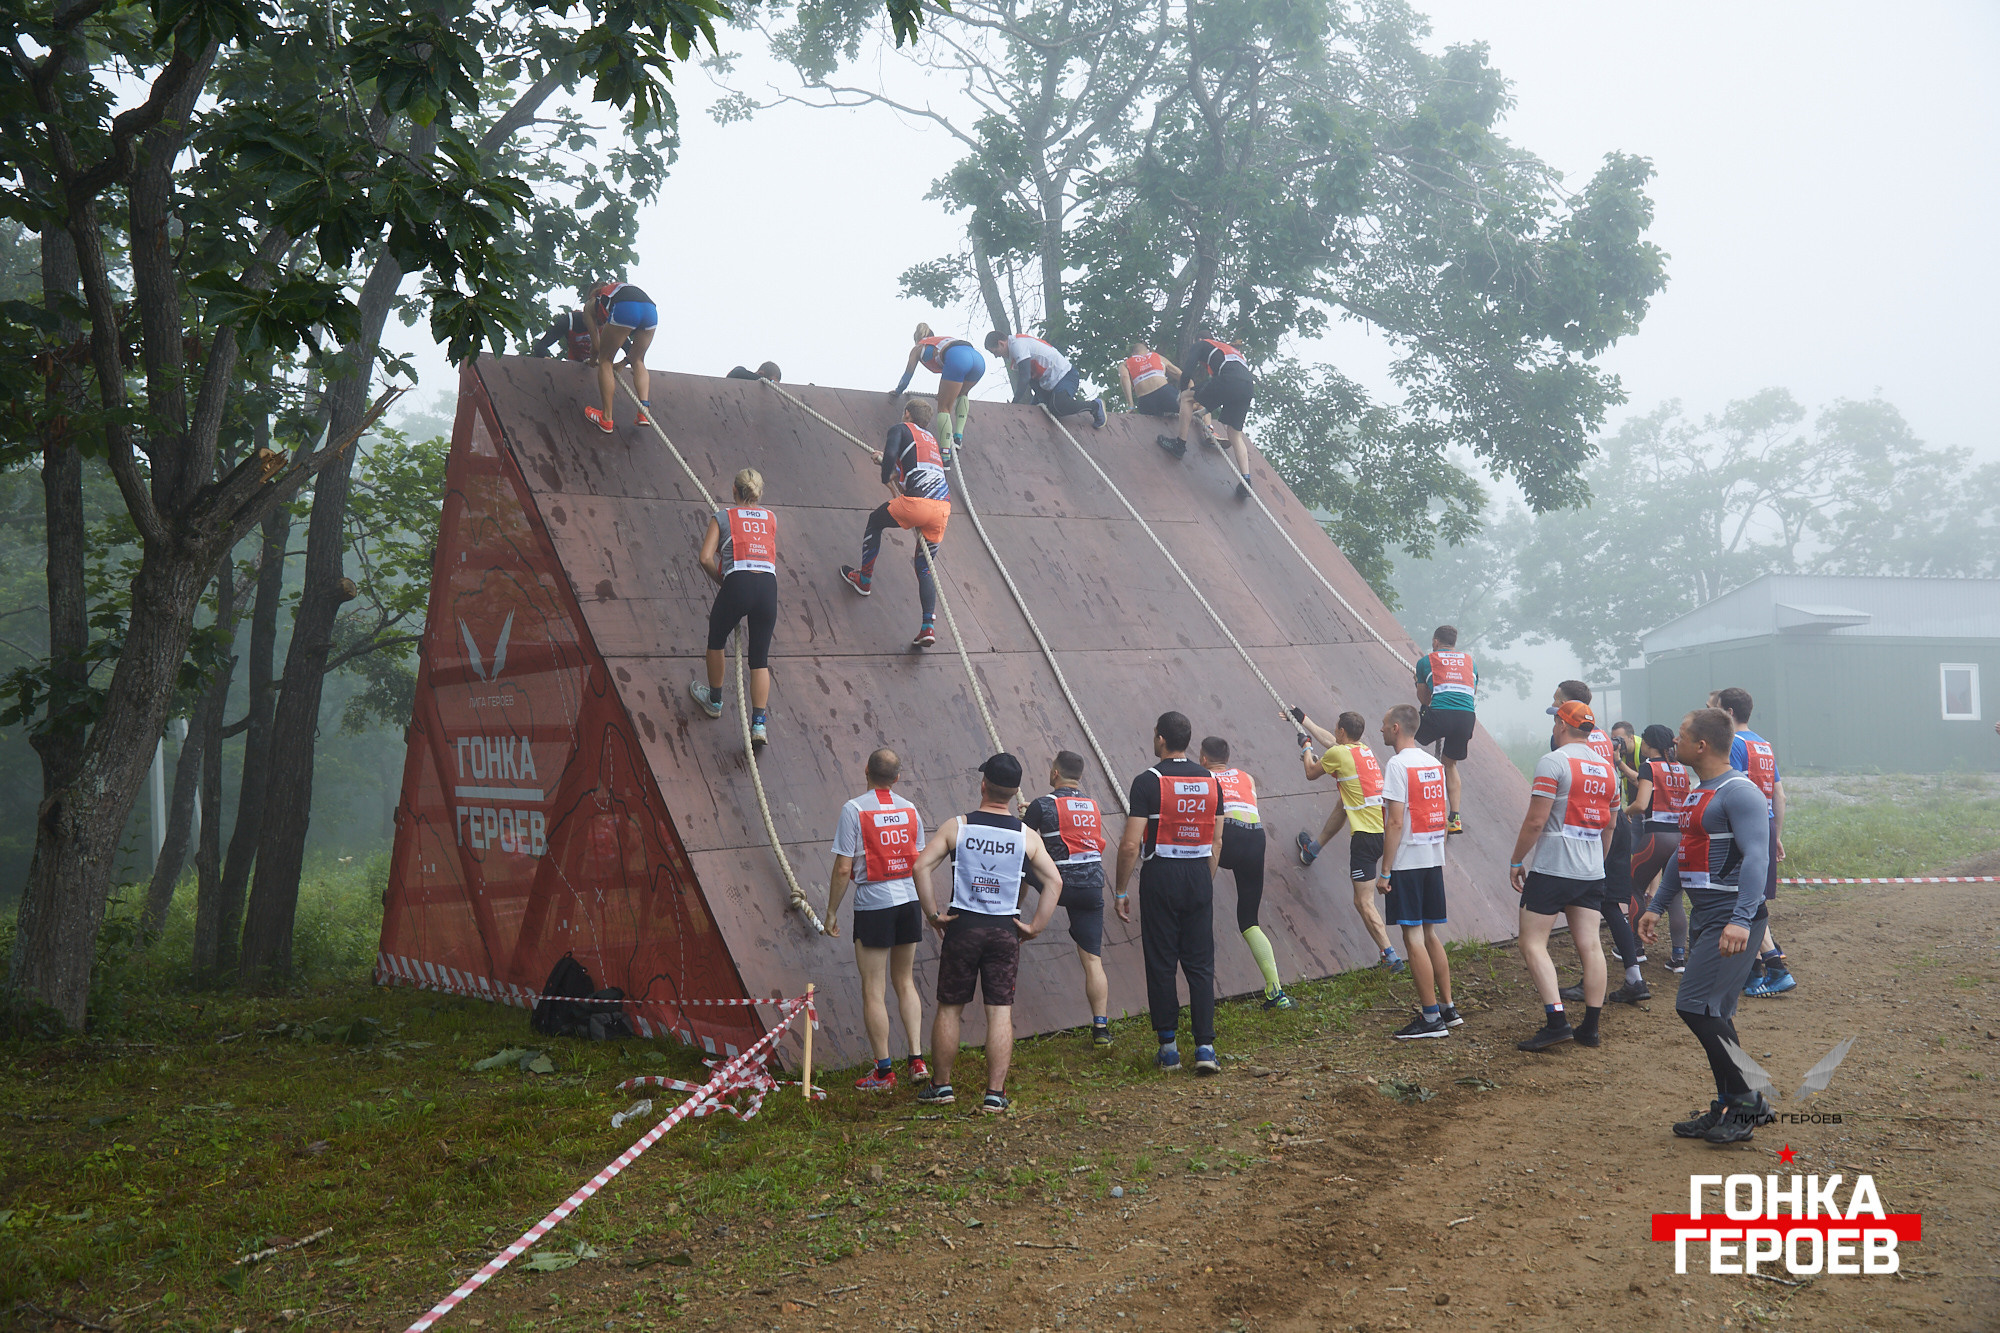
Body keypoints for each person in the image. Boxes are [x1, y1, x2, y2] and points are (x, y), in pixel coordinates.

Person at [1637, 708, 1775, 1144]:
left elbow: (1758, 857)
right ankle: (1732, 1104)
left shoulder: (1740, 792)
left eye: (1681, 736)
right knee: (1713, 1011)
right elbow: (1684, 855)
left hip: (1733, 919)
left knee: (1694, 1006)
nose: (1673, 743)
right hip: (1707, 917)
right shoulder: (1701, 792)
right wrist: (1657, 905)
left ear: (1702, 745)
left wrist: (1740, 919)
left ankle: (1748, 1103)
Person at [910, 754, 1064, 1113]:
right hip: (1004, 930)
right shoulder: (1027, 835)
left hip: (962, 926)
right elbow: (1054, 880)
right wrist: (1035, 927)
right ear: (1013, 793)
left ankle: (941, 1086)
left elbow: (920, 867)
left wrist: (934, 915)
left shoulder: (957, 826)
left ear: (984, 785)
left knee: (949, 1009)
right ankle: (995, 1093)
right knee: (999, 1012)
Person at [1113, 711, 1223, 1074]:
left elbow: (1131, 845)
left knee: (1161, 960)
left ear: (1160, 739)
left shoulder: (1148, 781)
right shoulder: (1211, 780)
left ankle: (1169, 1049)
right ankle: (1205, 1047)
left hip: (1160, 874)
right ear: (1188, 741)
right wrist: (1204, 879)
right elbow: (1217, 838)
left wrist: (1120, 890)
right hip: (1197, 872)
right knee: (1200, 962)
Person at [1509, 698, 1617, 1051]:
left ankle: (1556, 1022)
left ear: (1561, 725)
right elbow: (1611, 824)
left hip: (1553, 867)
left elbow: (1536, 820)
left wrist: (1516, 860)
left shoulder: (1553, 761)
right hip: (1590, 869)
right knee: (1590, 945)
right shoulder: (1607, 767)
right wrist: (1597, 863)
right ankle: (1591, 1027)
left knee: (1532, 943)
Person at [825, 748, 931, 1091]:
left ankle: (884, 1073)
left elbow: (843, 867)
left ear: (866, 770)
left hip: (874, 905)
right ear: (897, 778)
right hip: (909, 901)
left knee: (874, 989)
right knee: (905, 981)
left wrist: (830, 911)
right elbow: (918, 861)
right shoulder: (911, 809)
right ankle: (917, 1059)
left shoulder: (853, 808)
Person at [1547, 680, 1647, 1001]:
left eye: (1557, 702)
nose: (1553, 708)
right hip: (1615, 821)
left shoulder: (1562, 739)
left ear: (1566, 710)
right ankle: (1633, 977)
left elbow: (1565, 781)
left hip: (1589, 822)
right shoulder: (1604, 735)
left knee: (1588, 904)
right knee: (1608, 902)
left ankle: (1599, 982)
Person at [1294, 709, 1404, 973]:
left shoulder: (1338, 754)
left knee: (1363, 902)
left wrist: (1306, 748)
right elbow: (1331, 744)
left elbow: (1311, 772)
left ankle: (1390, 956)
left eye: (1336, 728)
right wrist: (1303, 719)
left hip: (1366, 839)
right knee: (1343, 803)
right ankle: (1312, 850)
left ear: (1342, 731)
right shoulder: (1362, 750)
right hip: (1384, 832)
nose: (1333, 732)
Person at [839, 398, 952, 649]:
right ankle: (927, 627)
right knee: (924, 567)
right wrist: (890, 468)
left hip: (917, 504)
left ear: (907, 413)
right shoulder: (931, 441)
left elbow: (892, 455)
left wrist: (884, 474)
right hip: (942, 509)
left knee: (874, 522)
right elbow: (914, 471)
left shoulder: (900, 429)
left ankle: (864, 579)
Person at [1373, 705, 1457, 1038]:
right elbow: (1444, 811)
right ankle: (1449, 1009)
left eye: (1382, 725)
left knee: (1412, 938)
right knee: (1430, 934)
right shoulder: (1434, 763)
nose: (1380, 730)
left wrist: (1385, 870)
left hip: (1406, 862)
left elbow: (1394, 821)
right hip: (1432, 858)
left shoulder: (1397, 764)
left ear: (1396, 728)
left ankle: (1430, 1017)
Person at [1021, 752, 1114, 1048]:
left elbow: (1022, 841)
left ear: (1055, 773)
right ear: (1080, 776)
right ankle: (1101, 1028)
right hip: (1092, 888)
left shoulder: (1042, 804)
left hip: (1058, 886)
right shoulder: (1093, 805)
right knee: (1092, 960)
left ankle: (1014, 911)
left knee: (1022, 862)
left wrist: (1027, 818)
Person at [1199, 736, 1293, 1010]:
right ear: (1227, 758)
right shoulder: (1246, 776)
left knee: (1198, 900)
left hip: (1225, 834)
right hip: (1255, 837)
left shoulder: (1202, 777)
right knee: (1249, 920)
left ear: (1203, 759)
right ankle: (1276, 992)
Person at [1714, 687, 1796, 997]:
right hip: (1765, 822)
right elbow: (1780, 795)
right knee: (1751, 900)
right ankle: (1755, 971)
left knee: (1745, 901)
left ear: (1729, 713)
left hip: (1740, 828)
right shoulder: (1764, 745)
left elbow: (1730, 788)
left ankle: (1772, 968)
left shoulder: (1732, 743)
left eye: (1717, 709)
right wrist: (1775, 835)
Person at [689, 469, 777, 746]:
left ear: (734, 491)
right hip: (767, 588)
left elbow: (705, 557)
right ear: (759, 493)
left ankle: (714, 700)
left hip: (737, 583)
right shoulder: (771, 518)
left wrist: (722, 581)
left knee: (716, 640)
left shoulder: (723, 516)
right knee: (759, 659)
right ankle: (759, 725)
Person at [1626, 722, 1692, 973]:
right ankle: (1678, 958)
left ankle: (1635, 949)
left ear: (1649, 744)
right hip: (1680, 836)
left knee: (1632, 886)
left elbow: (1641, 804)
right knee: (1673, 895)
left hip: (1657, 836)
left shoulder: (1648, 766)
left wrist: (1625, 811)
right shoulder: (1680, 768)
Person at [1157, 335, 1255, 498]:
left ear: (1200, 339)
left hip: (1230, 380)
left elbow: (1186, 373)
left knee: (1187, 398)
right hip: (1247, 387)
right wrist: (1203, 411)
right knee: (1234, 434)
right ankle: (1246, 482)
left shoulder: (1201, 344)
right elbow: (1222, 392)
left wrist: (1182, 392)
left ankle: (1179, 446)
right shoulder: (1229, 352)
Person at [1412, 625, 1476, 836]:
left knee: (1409, 737)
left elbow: (1424, 699)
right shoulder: (1470, 662)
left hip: (1440, 714)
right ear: (1454, 643)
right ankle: (1455, 817)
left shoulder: (1425, 661)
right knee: (1450, 764)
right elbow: (1470, 692)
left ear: (1435, 641)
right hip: (1466, 717)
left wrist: (1419, 683)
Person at [894, 325, 984, 458]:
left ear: (918, 339)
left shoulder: (918, 348)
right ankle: (958, 436)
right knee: (962, 394)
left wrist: (898, 390)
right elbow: (950, 374)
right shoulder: (942, 340)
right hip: (978, 359)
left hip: (958, 358)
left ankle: (945, 455)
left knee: (944, 408)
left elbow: (908, 374)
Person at [985, 330, 1106, 429]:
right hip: (1048, 384)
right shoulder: (1014, 357)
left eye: (995, 352)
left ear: (1001, 343)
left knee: (1058, 406)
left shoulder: (1017, 345)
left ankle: (1094, 406)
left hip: (1065, 376)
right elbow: (1032, 380)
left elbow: (1025, 378)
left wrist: (1015, 401)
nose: (996, 356)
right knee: (1034, 411)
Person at [580, 279, 658, 433]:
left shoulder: (591, 303)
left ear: (592, 294)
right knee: (639, 360)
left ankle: (606, 419)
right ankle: (644, 413)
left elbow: (596, 347)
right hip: (650, 311)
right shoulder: (618, 288)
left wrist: (593, 361)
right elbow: (633, 353)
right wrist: (623, 363)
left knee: (606, 361)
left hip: (626, 308)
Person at [1120, 341, 1194, 426]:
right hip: (1165, 393)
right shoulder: (1158, 357)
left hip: (1145, 400)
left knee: (1154, 427)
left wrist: (1131, 405)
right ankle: (1208, 428)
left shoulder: (1126, 364)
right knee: (1195, 406)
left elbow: (1124, 378)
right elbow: (1183, 377)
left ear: (1133, 354)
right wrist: (1191, 394)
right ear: (1148, 351)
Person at [531, 307, 595, 361]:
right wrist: (546, 359)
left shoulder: (603, 326)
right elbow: (540, 346)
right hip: (576, 366)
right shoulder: (568, 322)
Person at [1610, 721, 1643, 808]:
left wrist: (1619, 762)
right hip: (1631, 802)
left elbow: (1643, 782)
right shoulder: (1619, 752)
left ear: (1631, 738)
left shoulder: (1643, 750)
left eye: (1620, 739)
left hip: (1646, 802)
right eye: (1614, 740)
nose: (1617, 743)